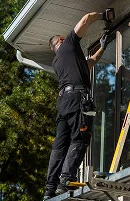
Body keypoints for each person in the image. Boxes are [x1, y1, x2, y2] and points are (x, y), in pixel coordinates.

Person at [43, 10, 114, 200]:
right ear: (60, 41)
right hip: (77, 99)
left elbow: (90, 62)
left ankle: (50, 188)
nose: (66, 37)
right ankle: (66, 179)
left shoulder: (59, 61)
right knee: (80, 138)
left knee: (60, 145)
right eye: (63, 38)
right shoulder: (68, 45)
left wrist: (102, 47)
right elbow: (86, 19)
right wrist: (104, 15)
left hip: (64, 103)